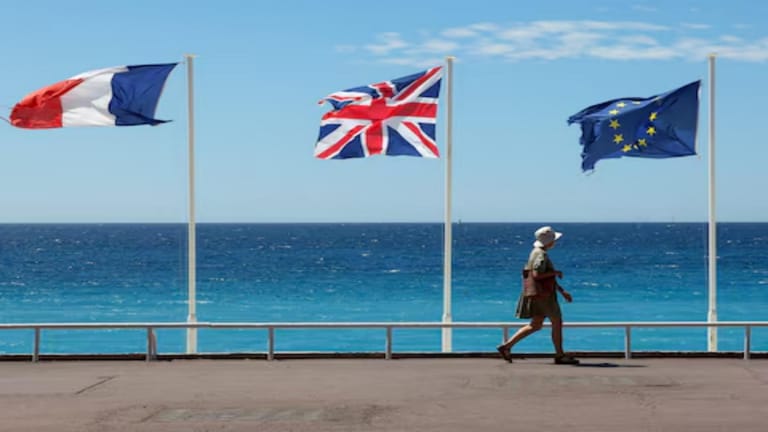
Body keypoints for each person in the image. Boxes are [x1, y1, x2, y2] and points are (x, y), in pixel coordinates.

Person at [496, 226, 579, 364]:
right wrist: (555, 273)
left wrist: (561, 290)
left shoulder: (534, 253)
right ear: (549, 242)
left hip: (537, 295)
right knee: (556, 322)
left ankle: (507, 346)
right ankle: (560, 355)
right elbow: (537, 274)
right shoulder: (541, 255)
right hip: (545, 296)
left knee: (535, 324)